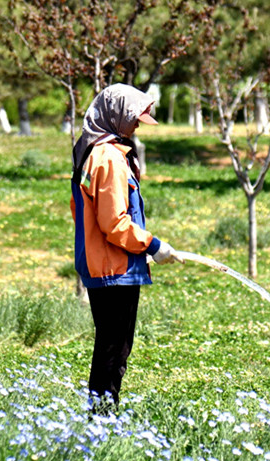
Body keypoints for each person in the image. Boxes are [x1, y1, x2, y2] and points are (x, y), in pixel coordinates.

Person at [69, 83, 184, 415]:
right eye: (135, 118)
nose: (137, 125)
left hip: (103, 267)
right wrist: (153, 246)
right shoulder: (108, 159)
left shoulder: (93, 151)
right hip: (114, 271)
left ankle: (99, 420)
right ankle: (101, 424)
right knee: (113, 353)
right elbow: (114, 223)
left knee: (110, 348)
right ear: (116, 115)